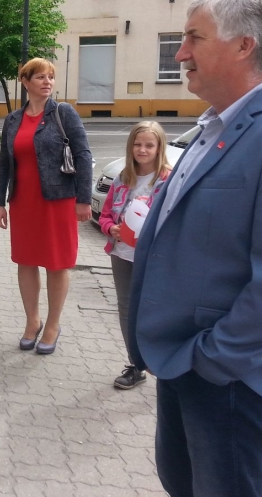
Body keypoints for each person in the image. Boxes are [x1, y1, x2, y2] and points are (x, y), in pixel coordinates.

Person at [128, 0, 262, 496]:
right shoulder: (216, 124)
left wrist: (213, 360)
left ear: (244, 45)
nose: (181, 53)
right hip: (184, 359)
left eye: (194, 37)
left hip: (227, 374)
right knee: (182, 483)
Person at [0, 58, 93, 353]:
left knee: (57, 263)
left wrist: (84, 199)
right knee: (26, 261)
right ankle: (32, 321)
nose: (47, 82)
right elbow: (4, 163)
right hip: (23, 201)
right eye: (40, 77)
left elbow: (83, 155)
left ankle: (52, 325)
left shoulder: (63, 113)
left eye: (50, 77)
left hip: (58, 201)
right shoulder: (13, 120)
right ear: (25, 82)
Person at [99, 122, 171, 390]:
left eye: (149, 145)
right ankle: (136, 365)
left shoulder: (168, 180)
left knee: (155, 309)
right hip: (121, 253)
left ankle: (162, 362)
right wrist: (111, 228)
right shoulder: (122, 178)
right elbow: (105, 215)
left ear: (159, 148)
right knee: (127, 308)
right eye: (138, 144)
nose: (142, 150)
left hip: (153, 256)